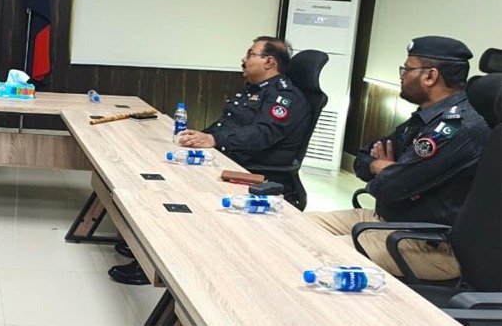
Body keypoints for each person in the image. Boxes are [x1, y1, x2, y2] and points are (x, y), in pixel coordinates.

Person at [109, 36, 313, 285]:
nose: (243, 59)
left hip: (249, 170)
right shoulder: (253, 89)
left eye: (250, 54)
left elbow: (262, 134)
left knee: (177, 198)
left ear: (269, 62)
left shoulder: (285, 97)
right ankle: (144, 244)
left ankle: (154, 264)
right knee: (161, 177)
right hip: (228, 158)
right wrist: (199, 137)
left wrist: (214, 140)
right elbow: (226, 125)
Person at [308, 36, 489, 281]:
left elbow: (388, 187)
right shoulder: (426, 118)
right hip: (386, 219)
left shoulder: (455, 129)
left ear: (430, 76)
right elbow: (363, 158)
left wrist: (391, 175)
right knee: (291, 227)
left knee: (314, 253)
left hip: (425, 242)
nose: (402, 76)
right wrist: (383, 167)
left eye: (407, 69)